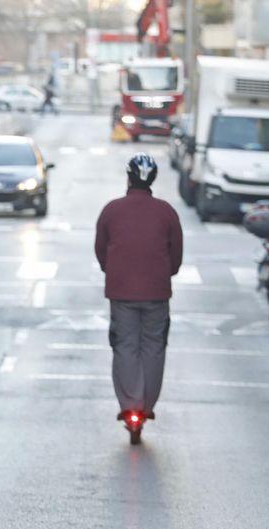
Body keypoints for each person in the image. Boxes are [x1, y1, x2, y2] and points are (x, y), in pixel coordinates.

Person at [94, 153, 182, 425]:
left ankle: (130, 402)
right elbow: (176, 255)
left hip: (121, 292)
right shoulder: (166, 211)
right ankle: (147, 403)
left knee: (125, 345)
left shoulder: (111, 210)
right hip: (157, 292)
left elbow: (101, 250)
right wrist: (163, 273)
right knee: (154, 346)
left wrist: (115, 271)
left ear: (129, 177)